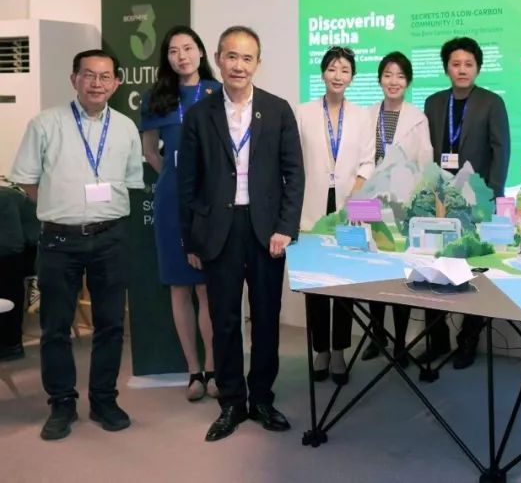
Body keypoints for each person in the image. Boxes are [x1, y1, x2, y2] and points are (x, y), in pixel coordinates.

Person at [178, 26, 304, 442]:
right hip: (220, 230)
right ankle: (232, 402)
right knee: (225, 319)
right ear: (218, 59)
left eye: (247, 58)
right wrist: (192, 240)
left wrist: (286, 227)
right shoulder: (200, 114)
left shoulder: (278, 109)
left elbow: (294, 174)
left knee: (266, 318)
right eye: (231, 56)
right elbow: (187, 182)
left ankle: (262, 398)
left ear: (258, 64)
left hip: (266, 230)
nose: (238, 65)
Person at [10, 49, 143, 440]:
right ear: (74, 80)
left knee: (110, 325)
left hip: (110, 238)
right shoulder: (45, 123)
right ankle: (62, 403)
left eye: (105, 76)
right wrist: (60, 206)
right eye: (88, 75)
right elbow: (26, 179)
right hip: (59, 238)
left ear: (116, 83)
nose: (96, 83)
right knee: (55, 327)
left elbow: (130, 181)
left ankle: (103, 399)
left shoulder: (125, 128)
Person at [140, 26, 222, 401]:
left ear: (201, 52)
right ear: (167, 58)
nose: (182, 56)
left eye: (188, 48)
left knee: (207, 287)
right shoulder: (157, 98)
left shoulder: (218, 92)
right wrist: (175, 179)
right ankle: (194, 372)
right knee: (180, 287)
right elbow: (150, 152)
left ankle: (216, 368)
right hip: (172, 200)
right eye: (174, 51)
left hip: (211, 201)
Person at [420, 36, 510, 370]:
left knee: (473, 272)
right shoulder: (433, 103)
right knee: (432, 269)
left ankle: (468, 340)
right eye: (456, 64)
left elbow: (501, 151)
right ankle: (437, 339)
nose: (462, 70)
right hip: (438, 201)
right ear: (446, 68)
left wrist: (493, 197)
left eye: (468, 64)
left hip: (476, 201)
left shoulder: (491, 102)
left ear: (478, 68)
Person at [297, 46, 373, 385]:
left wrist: (354, 197)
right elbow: (294, 161)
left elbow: (368, 162)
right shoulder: (303, 113)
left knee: (344, 279)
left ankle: (340, 350)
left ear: (352, 77)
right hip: (311, 207)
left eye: (344, 70)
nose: (338, 75)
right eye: (332, 69)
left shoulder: (362, 116)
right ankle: (321, 350)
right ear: (322, 73)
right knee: (316, 283)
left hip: (348, 207)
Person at [359, 51, 432, 366]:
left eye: (400, 76)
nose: (393, 81)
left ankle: (400, 342)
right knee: (373, 272)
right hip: (372, 202)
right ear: (379, 79)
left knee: (400, 274)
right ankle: (377, 335)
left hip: (403, 204)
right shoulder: (367, 115)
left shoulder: (417, 118)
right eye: (388, 75)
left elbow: (425, 161)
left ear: (408, 81)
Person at [0, 182, 39, 361]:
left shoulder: (4, 199)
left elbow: (12, 246)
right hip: (12, 247)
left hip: (38, 249)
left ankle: (11, 343)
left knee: (7, 272)